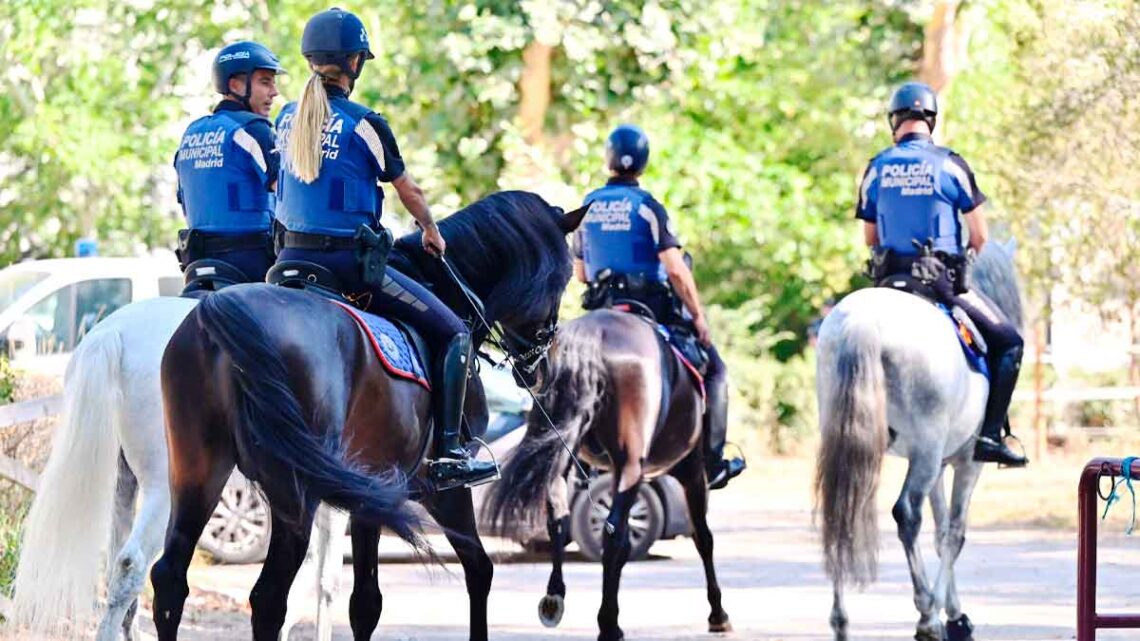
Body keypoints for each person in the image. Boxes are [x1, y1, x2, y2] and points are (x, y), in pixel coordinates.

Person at [273, 7, 497, 490]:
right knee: (455, 332)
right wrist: (431, 230)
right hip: (348, 269)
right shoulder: (365, 123)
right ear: (355, 62)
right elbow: (407, 189)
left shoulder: (286, 117)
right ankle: (451, 451)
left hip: (287, 263)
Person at [856, 81, 1027, 467]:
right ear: (930, 121)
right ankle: (989, 435)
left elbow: (870, 236)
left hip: (889, 284)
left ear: (893, 121)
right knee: (1009, 343)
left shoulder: (875, 169)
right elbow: (980, 236)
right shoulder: (951, 165)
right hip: (941, 284)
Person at [573, 124, 746, 490]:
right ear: (643, 162)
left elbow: (581, 275)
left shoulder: (587, 206)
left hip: (600, 310)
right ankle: (712, 462)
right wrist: (698, 316)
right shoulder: (649, 207)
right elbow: (675, 269)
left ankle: (568, 452)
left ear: (608, 158)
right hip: (648, 309)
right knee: (716, 371)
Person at [173, 41, 284, 288]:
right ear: (235, 84)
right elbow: (288, 194)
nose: (274, 92)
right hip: (251, 265)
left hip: (197, 266)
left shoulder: (191, 133)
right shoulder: (254, 130)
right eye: (265, 82)